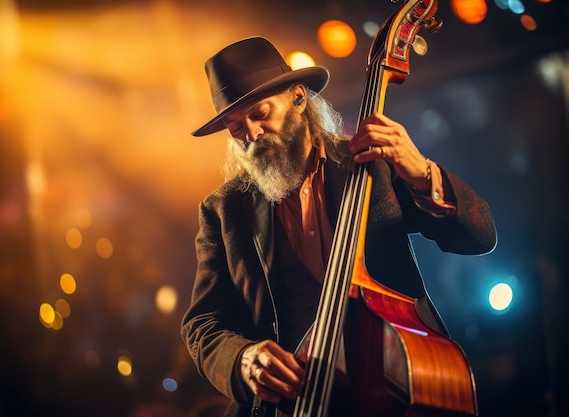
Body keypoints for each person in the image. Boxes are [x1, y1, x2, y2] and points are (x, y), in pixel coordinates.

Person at [180, 36, 497, 417]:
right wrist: (244, 359)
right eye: (235, 128)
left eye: (260, 113)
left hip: (389, 383)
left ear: (298, 97)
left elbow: (478, 237)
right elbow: (203, 323)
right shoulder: (223, 210)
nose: (251, 135)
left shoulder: (371, 164)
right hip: (291, 405)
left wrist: (420, 171)